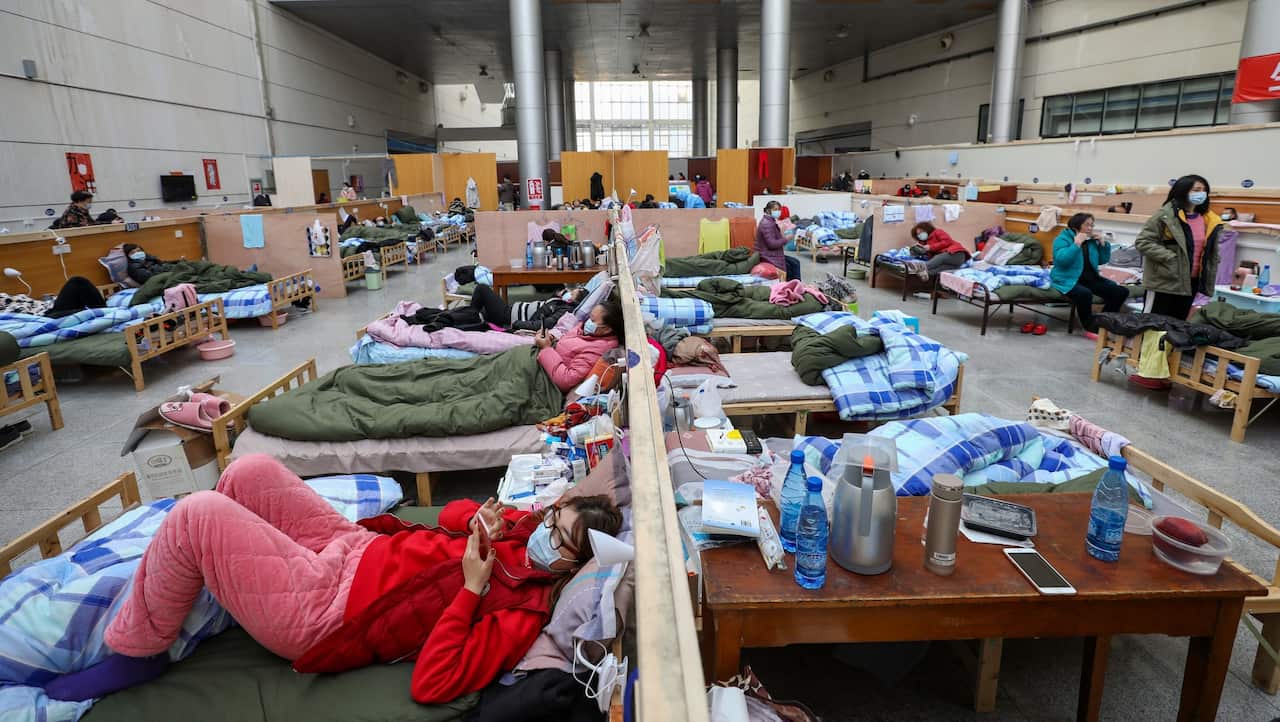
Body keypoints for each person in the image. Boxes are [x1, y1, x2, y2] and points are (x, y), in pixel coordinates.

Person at [42, 454, 622, 704]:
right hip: (355, 546)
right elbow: (443, 521)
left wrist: (471, 589)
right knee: (249, 472)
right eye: (554, 519)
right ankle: (207, 579)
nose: (547, 533)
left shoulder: (519, 615)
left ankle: (139, 650)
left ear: (571, 565)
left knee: (198, 514)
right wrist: (475, 519)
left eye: (561, 539)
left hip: (330, 610)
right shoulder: (523, 532)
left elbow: (434, 681)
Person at [1134, 174, 1222, 320]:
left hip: (1190, 282)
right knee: (1152, 323)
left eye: (1204, 189)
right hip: (1165, 280)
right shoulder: (1165, 215)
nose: (1201, 193)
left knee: (1177, 324)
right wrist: (1171, 258)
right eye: (1196, 189)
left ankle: (1169, 345)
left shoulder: (1208, 219)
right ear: (1183, 190)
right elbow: (1143, 242)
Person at [1050, 213, 1129, 335]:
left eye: (1092, 225)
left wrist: (1103, 245)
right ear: (1076, 226)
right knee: (1084, 294)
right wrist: (1076, 244)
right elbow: (1062, 262)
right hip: (1068, 279)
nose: (1090, 228)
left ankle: (1103, 321)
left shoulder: (1090, 241)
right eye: (1087, 225)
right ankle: (1090, 326)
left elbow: (1102, 260)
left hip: (1090, 279)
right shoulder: (1062, 239)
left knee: (1121, 292)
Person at [532, 297, 625, 392]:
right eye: (589, 317)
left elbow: (566, 380)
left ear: (607, 329)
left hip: (544, 378)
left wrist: (546, 348)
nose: (588, 322)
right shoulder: (585, 330)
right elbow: (567, 341)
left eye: (592, 321)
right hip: (542, 360)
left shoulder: (597, 349)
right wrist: (552, 338)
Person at [471, 283, 587, 332]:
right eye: (571, 291)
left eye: (572, 294)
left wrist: (517, 324)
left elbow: (544, 324)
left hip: (507, 316)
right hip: (510, 311)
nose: (569, 293)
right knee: (482, 313)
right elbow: (548, 305)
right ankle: (470, 318)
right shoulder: (562, 303)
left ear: (575, 302)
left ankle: (469, 316)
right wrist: (559, 295)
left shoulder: (565, 310)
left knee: (481, 289)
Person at [756, 200, 800, 282]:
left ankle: (795, 286)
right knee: (793, 265)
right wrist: (786, 239)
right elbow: (772, 244)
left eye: (779, 209)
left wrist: (782, 234)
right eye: (775, 209)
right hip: (767, 255)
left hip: (773, 253)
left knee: (795, 262)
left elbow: (776, 239)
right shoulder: (767, 224)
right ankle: (792, 286)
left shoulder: (771, 221)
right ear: (768, 210)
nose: (778, 212)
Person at [44, 276, 109, 319]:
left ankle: (102, 311)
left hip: (51, 309)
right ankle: (103, 312)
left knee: (77, 281)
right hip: (46, 316)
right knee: (77, 281)